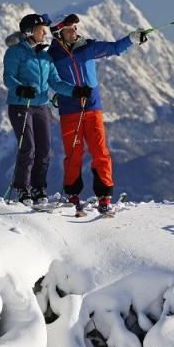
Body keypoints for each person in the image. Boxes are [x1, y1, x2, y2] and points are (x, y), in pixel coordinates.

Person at [48, 13, 147, 215]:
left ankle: (104, 197)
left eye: (75, 27)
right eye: (69, 29)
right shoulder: (52, 56)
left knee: (100, 151)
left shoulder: (88, 47)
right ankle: (72, 196)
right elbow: (53, 81)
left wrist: (132, 38)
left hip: (93, 108)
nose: (74, 31)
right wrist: (71, 92)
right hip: (69, 111)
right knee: (73, 154)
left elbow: (114, 48)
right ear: (58, 33)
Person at [3, 13, 90, 204]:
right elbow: (8, 77)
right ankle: (22, 189)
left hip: (41, 106)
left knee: (44, 149)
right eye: (41, 30)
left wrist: (75, 91)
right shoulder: (15, 52)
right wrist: (20, 88)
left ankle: (38, 188)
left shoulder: (45, 56)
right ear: (29, 32)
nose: (45, 33)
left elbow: (56, 82)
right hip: (21, 105)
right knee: (28, 148)